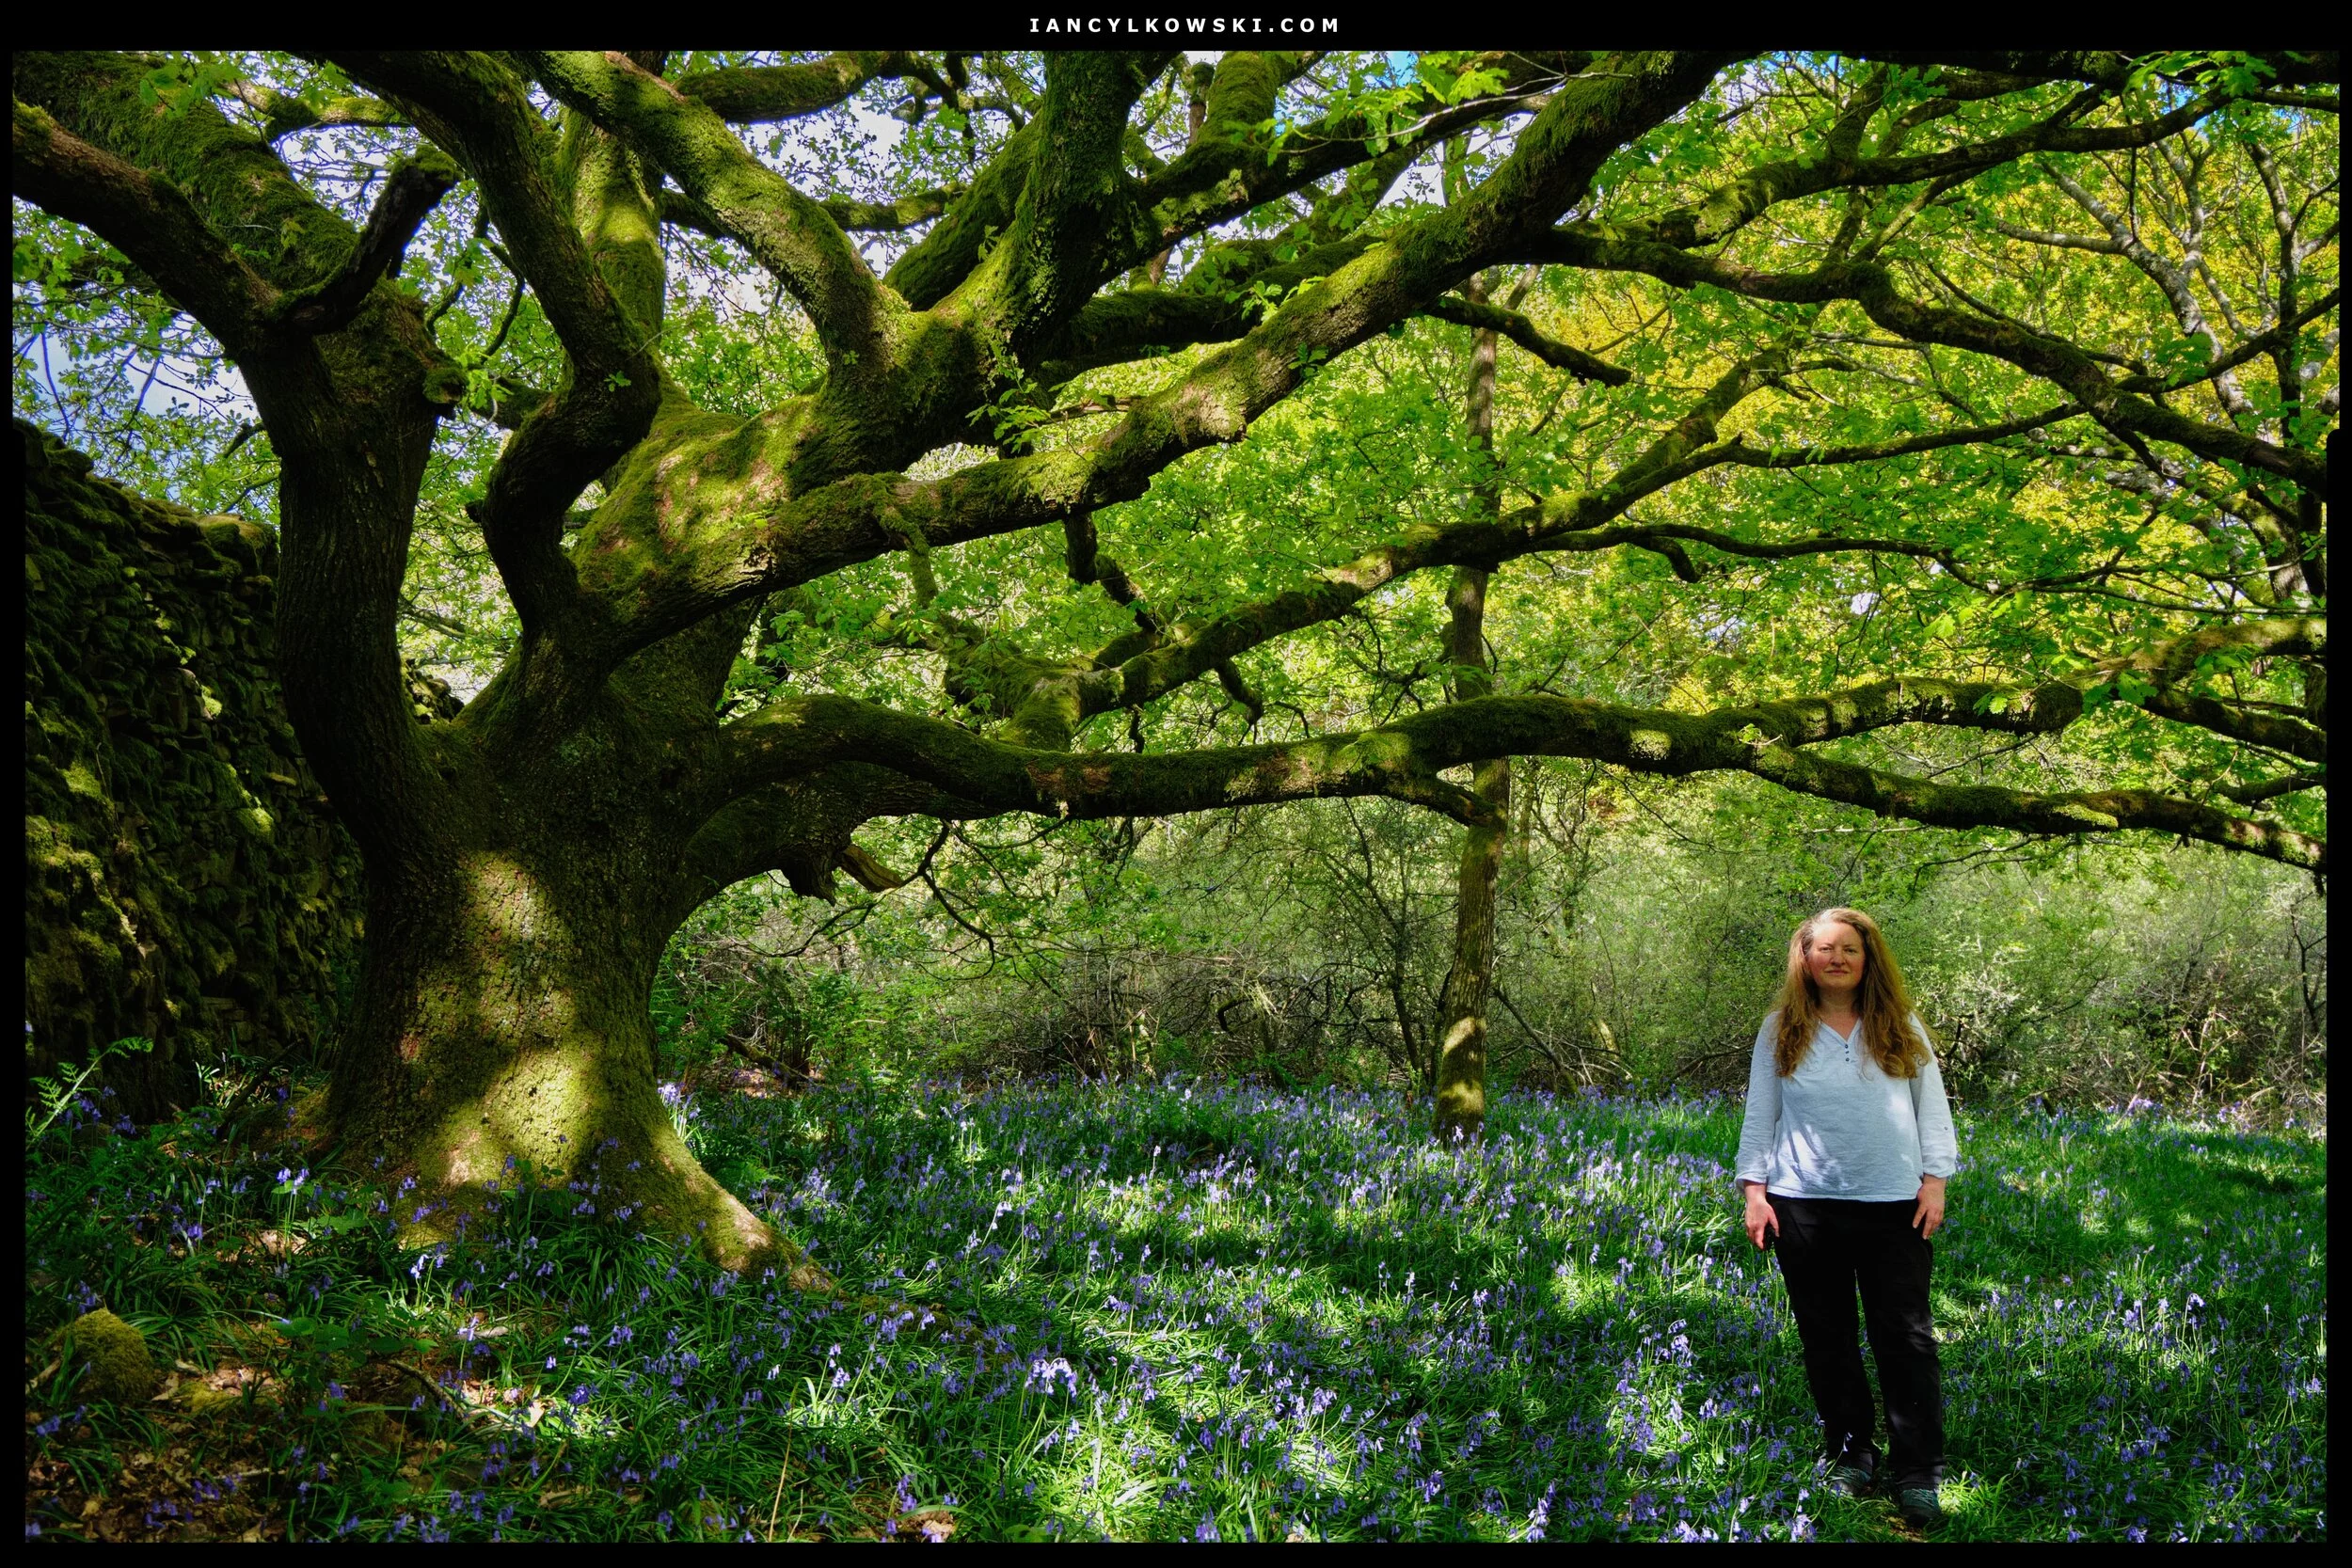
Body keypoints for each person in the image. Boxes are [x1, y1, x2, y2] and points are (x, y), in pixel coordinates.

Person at [1734, 907, 1958, 1532]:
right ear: (1804, 960)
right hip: (1802, 1205)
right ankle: (1851, 1454)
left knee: (1906, 1338)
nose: (1838, 958)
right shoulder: (1781, 1028)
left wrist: (1935, 1181)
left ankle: (1918, 1471)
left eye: (1850, 948)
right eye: (1825, 948)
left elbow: (1932, 1108)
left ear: (1868, 959)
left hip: (1894, 1204)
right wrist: (1755, 1192)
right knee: (1827, 1338)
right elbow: (1760, 1114)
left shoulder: (1900, 1024)